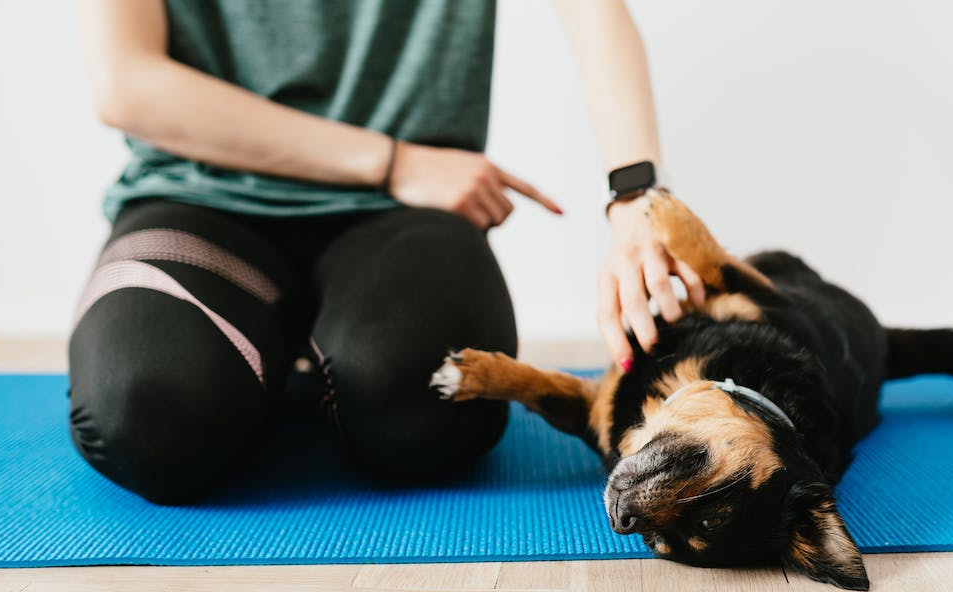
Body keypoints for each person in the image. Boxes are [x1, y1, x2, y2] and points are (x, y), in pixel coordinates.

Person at [70, 0, 704, 505]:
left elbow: (595, 11)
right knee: (148, 419)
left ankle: (305, 368)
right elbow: (126, 83)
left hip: (402, 221)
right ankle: (263, 366)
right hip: (198, 199)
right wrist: (390, 161)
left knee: (429, 414)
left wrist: (637, 202)